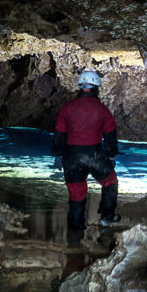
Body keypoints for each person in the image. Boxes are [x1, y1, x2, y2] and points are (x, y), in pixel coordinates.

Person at [51, 69, 120, 230]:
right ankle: (107, 217)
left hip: (71, 156)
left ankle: (76, 226)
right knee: (110, 181)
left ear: (79, 87)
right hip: (94, 154)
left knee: (77, 190)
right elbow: (110, 134)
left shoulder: (67, 108)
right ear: (96, 87)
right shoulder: (102, 109)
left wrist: (57, 155)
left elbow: (59, 134)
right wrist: (111, 155)